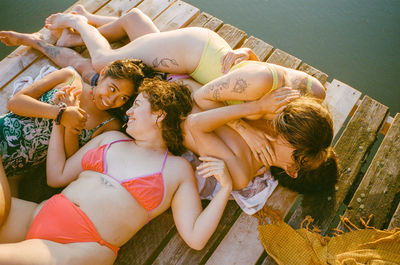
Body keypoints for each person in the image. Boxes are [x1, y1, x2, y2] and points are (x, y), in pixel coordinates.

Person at [0, 78, 233, 264]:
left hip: (80, 247)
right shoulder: (111, 139)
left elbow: (195, 237)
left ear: (159, 114)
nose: (129, 112)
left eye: (137, 105)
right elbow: (56, 176)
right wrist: (58, 122)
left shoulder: (176, 169)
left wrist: (225, 188)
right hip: (38, 214)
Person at [0, 58, 155, 176]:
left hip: (13, 168)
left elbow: (70, 159)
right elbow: (15, 103)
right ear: (102, 74)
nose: (111, 100)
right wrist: (61, 113)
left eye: (123, 98)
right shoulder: (69, 77)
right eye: (112, 89)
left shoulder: (109, 124)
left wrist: (72, 117)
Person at [184, 92, 338, 192]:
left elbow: (194, 124)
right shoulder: (276, 119)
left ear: (291, 171)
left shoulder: (241, 174)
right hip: (185, 82)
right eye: (304, 140)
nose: (296, 139)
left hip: (168, 110)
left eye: (300, 150)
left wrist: (255, 108)